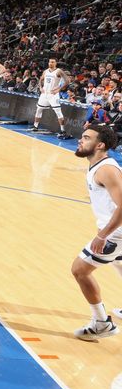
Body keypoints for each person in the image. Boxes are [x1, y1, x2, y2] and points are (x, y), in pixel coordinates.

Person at [71, 125, 122, 340]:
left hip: (117, 233)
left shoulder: (106, 170)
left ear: (100, 145)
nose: (80, 140)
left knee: (80, 270)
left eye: (86, 138)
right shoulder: (98, 166)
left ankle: (101, 323)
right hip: (114, 229)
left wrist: (102, 235)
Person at [31, 59, 71, 139]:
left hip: (53, 94)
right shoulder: (45, 71)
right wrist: (40, 87)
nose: (50, 63)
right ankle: (35, 126)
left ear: (55, 63)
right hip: (45, 93)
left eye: (52, 62)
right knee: (39, 109)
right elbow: (41, 79)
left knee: (58, 112)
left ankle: (62, 130)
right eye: (49, 62)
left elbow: (67, 80)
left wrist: (59, 89)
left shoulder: (58, 71)